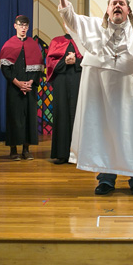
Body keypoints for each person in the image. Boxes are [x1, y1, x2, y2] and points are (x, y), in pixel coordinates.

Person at [56, 0, 133, 195]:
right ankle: (106, 177)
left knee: (132, 132)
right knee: (103, 133)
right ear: (107, 9)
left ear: (128, 10)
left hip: (130, 95)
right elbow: (71, 18)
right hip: (100, 92)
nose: (117, 6)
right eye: (113, 3)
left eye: (121, 3)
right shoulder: (93, 26)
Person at [0, 15, 44, 161]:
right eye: (21, 25)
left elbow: (38, 67)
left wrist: (30, 82)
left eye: (26, 25)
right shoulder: (9, 44)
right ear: (15, 26)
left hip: (30, 87)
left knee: (29, 118)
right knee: (14, 117)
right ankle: (13, 149)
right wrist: (17, 83)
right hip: (14, 87)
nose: (23, 28)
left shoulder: (33, 45)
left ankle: (26, 149)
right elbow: (5, 68)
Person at [45, 28, 83, 164]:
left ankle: (80, 154)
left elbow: (90, 61)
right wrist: (65, 62)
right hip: (61, 82)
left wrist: (76, 62)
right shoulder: (57, 41)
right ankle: (62, 154)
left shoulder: (83, 41)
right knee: (62, 114)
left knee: (79, 115)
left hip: (79, 80)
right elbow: (50, 63)